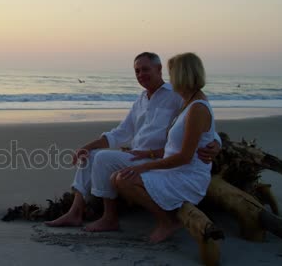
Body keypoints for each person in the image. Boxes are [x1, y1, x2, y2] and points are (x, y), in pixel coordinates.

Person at [45, 52, 220, 229]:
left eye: (145, 69)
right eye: (137, 71)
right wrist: (86, 146)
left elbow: (201, 125)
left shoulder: (176, 96)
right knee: (91, 155)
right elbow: (120, 133)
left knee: (102, 158)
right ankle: (75, 212)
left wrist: (217, 143)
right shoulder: (141, 100)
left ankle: (109, 218)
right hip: (136, 156)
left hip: (159, 160)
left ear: (159, 69)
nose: (140, 75)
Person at [99, 52, 216, 243]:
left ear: (183, 75)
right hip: (173, 170)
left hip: (187, 176)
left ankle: (167, 222)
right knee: (116, 177)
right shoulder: (188, 102)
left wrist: (144, 166)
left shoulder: (197, 108)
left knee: (124, 179)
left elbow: (185, 157)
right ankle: (160, 219)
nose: (170, 78)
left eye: (172, 73)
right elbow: (208, 134)